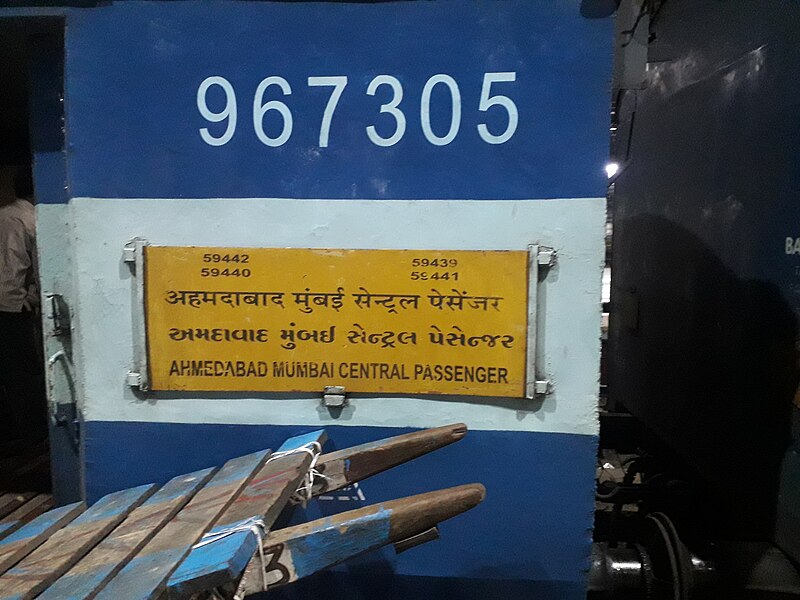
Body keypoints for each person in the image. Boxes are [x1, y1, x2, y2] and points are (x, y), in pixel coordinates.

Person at [0, 164, 47, 447]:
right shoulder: (29, 220)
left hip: (9, 303)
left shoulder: (6, 214)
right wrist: (29, 301)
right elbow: (17, 269)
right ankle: (34, 434)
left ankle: (12, 432)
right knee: (23, 374)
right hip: (10, 307)